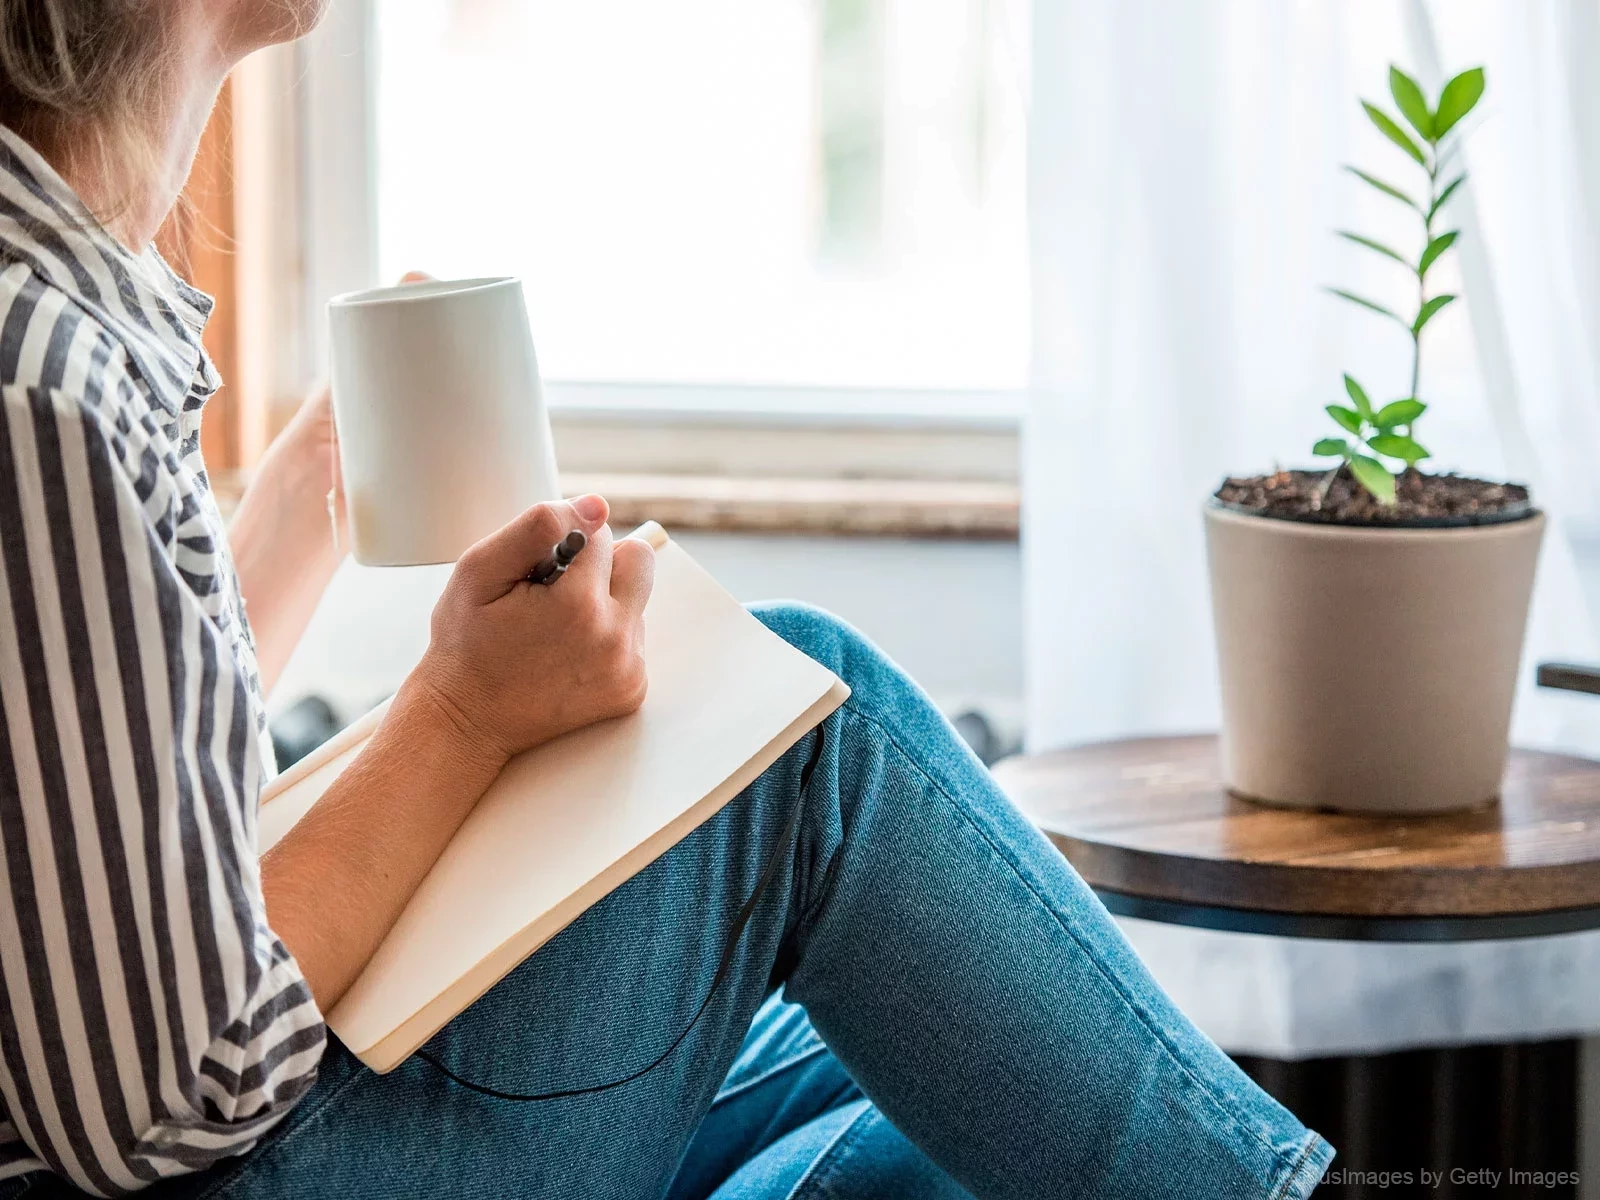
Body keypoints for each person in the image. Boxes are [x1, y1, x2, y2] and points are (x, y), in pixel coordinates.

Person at [0, 2, 1333, 1197]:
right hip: (211, 1165)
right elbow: (163, 1093)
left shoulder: (60, 325)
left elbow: (105, 817)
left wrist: (306, 497)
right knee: (817, 734)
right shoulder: (43, 384)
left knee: (951, 1047)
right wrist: (462, 714)